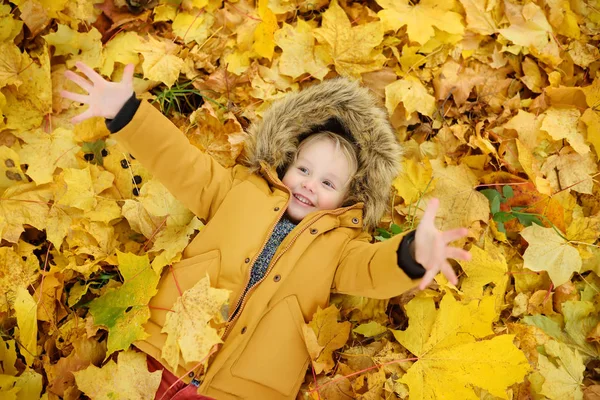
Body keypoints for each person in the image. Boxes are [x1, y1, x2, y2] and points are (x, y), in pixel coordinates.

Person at [61, 62, 471, 400]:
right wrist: (129, 113)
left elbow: (371, 269)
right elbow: (181, 164)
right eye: (305, 170)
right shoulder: (237, 190)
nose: (310, 184)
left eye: (328, 183)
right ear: (285, 161)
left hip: (245, 388)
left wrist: (412, 253)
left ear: (350, 198)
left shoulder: (343, 246)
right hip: (164, 351)